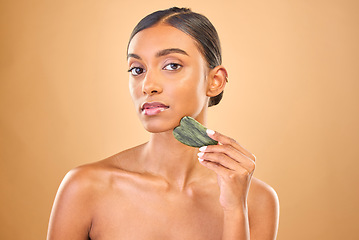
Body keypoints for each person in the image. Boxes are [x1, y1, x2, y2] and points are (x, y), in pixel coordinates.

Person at [47, 7, 279, 240]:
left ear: (215, 81)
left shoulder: (256, 200)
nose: (148, 85)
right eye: (137, 69)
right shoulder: (86, 187)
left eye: (172, 66)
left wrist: (234, 209)